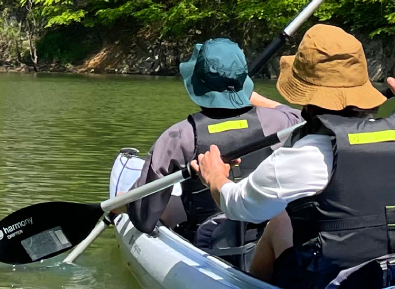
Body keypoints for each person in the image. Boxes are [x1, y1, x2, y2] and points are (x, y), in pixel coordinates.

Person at [191, 24, 395, 289]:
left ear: (303, 96)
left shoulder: (302, 156)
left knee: (280, 219)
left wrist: (216, 177)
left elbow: (238, 206)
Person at [126, 38, 302, 263]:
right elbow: (300, 115)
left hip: (209, 241)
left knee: (170, 204)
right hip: (265, 237)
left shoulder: (179, 136)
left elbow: (143, 219)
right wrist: (248, 95)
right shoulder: (282, 123)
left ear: (197, 84)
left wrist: (127, 204)